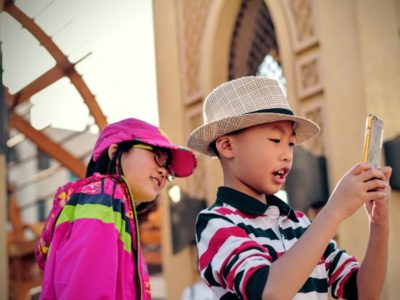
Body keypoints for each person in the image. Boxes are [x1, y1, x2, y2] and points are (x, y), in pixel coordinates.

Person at [187, 76, 392, 299]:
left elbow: (365, 293)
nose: (287, 155)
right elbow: (270, 292)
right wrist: (334, 210)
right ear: (227, 146)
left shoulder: (300, 225)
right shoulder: (216, 222)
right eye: (275, 140)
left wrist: (379, 224)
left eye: (291, 144)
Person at [35, 118, 197, 299]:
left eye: (169, 170)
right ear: (115, 152)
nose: (164, 172)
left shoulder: (110, 203)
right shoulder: (103, 194)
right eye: (158, 156)